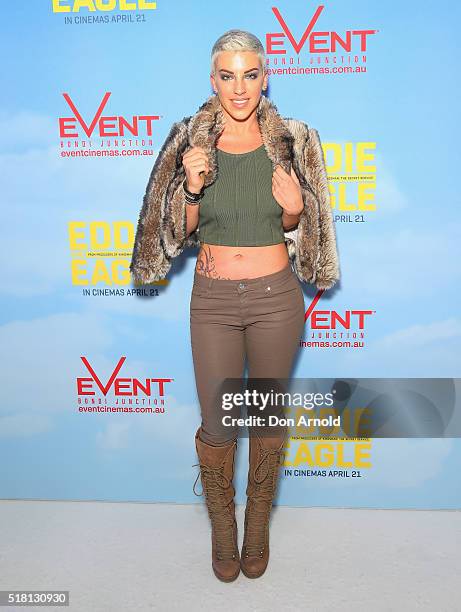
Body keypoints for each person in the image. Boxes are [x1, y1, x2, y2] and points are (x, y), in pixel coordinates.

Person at [130, 29, 340, 582]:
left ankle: (259, 528)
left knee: (265, 417)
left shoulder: (295, 141)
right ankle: (224, 530)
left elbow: (306, 234)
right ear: (213, 80)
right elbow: (170, 236)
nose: (239, 87)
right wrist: (193, 188)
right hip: (213, 300)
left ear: (265, 77)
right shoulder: (188, 142)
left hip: (276, 300)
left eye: (250, 74)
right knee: (219, 424)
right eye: (228, 75)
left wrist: (295, 211)